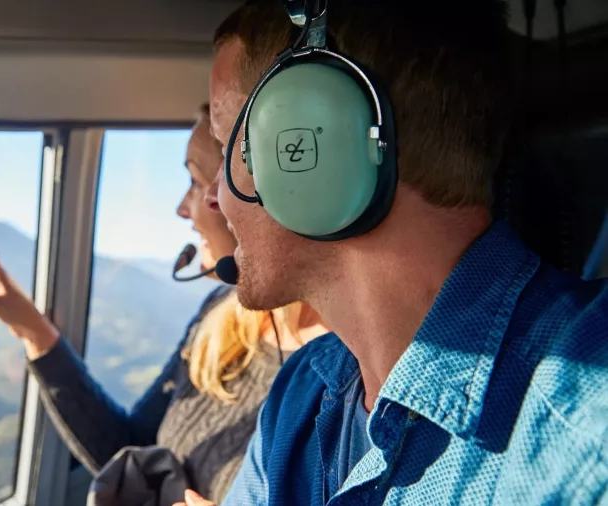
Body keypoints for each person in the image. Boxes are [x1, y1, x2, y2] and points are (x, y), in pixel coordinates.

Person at [178, 0, 608, 505]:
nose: (213, 196)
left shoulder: (585, 422)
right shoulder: (300, 395)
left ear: (321, 144)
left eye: (231, 144)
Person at [0, 104, 330, 503]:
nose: (182, 208)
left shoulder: (335, 380)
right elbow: (128, 449)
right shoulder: (222, 318)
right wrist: (33, 330)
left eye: (195, 182)